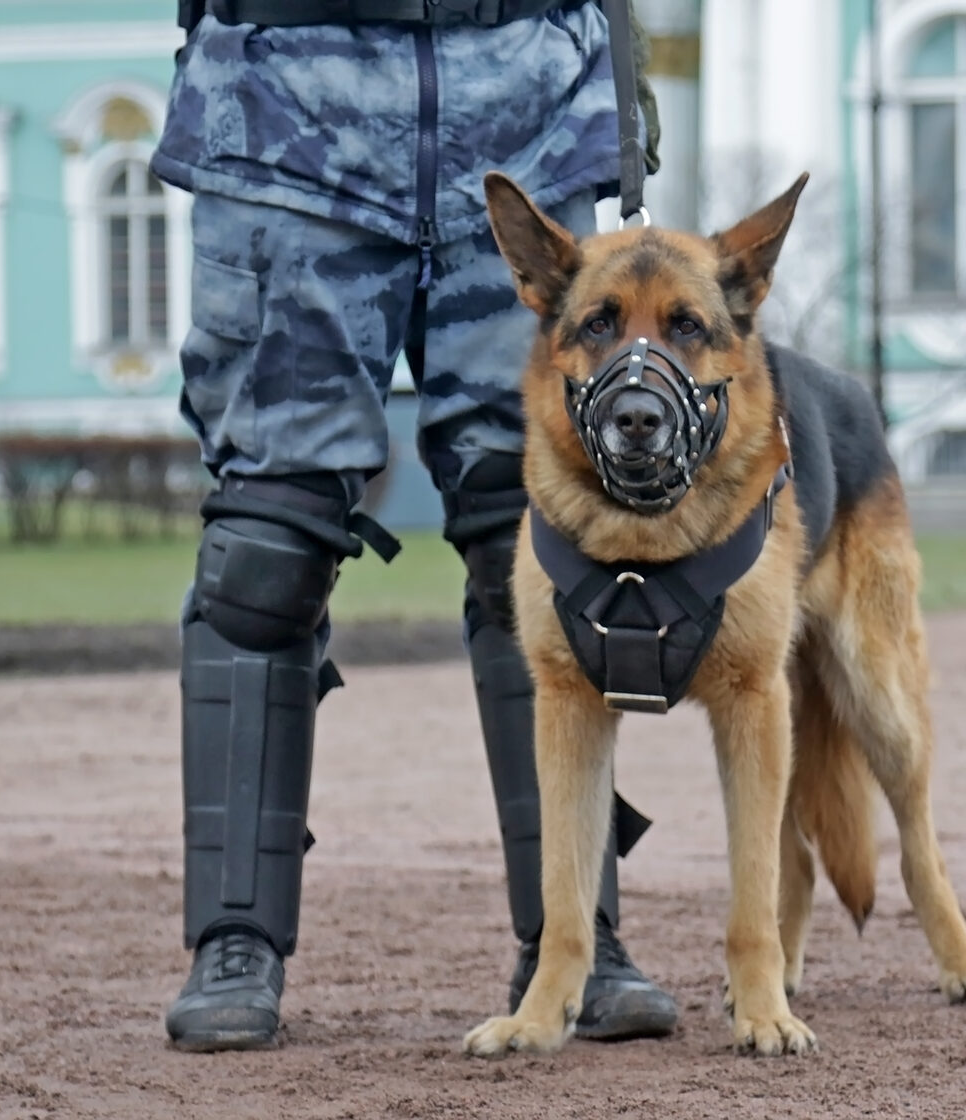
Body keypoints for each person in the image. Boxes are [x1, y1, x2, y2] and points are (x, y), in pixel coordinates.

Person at [148, 0, 677, 1052]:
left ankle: (579, 937)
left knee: (536, 540)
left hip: (526, 103)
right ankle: (235, 937)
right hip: (292, 111)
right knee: (267, 545)